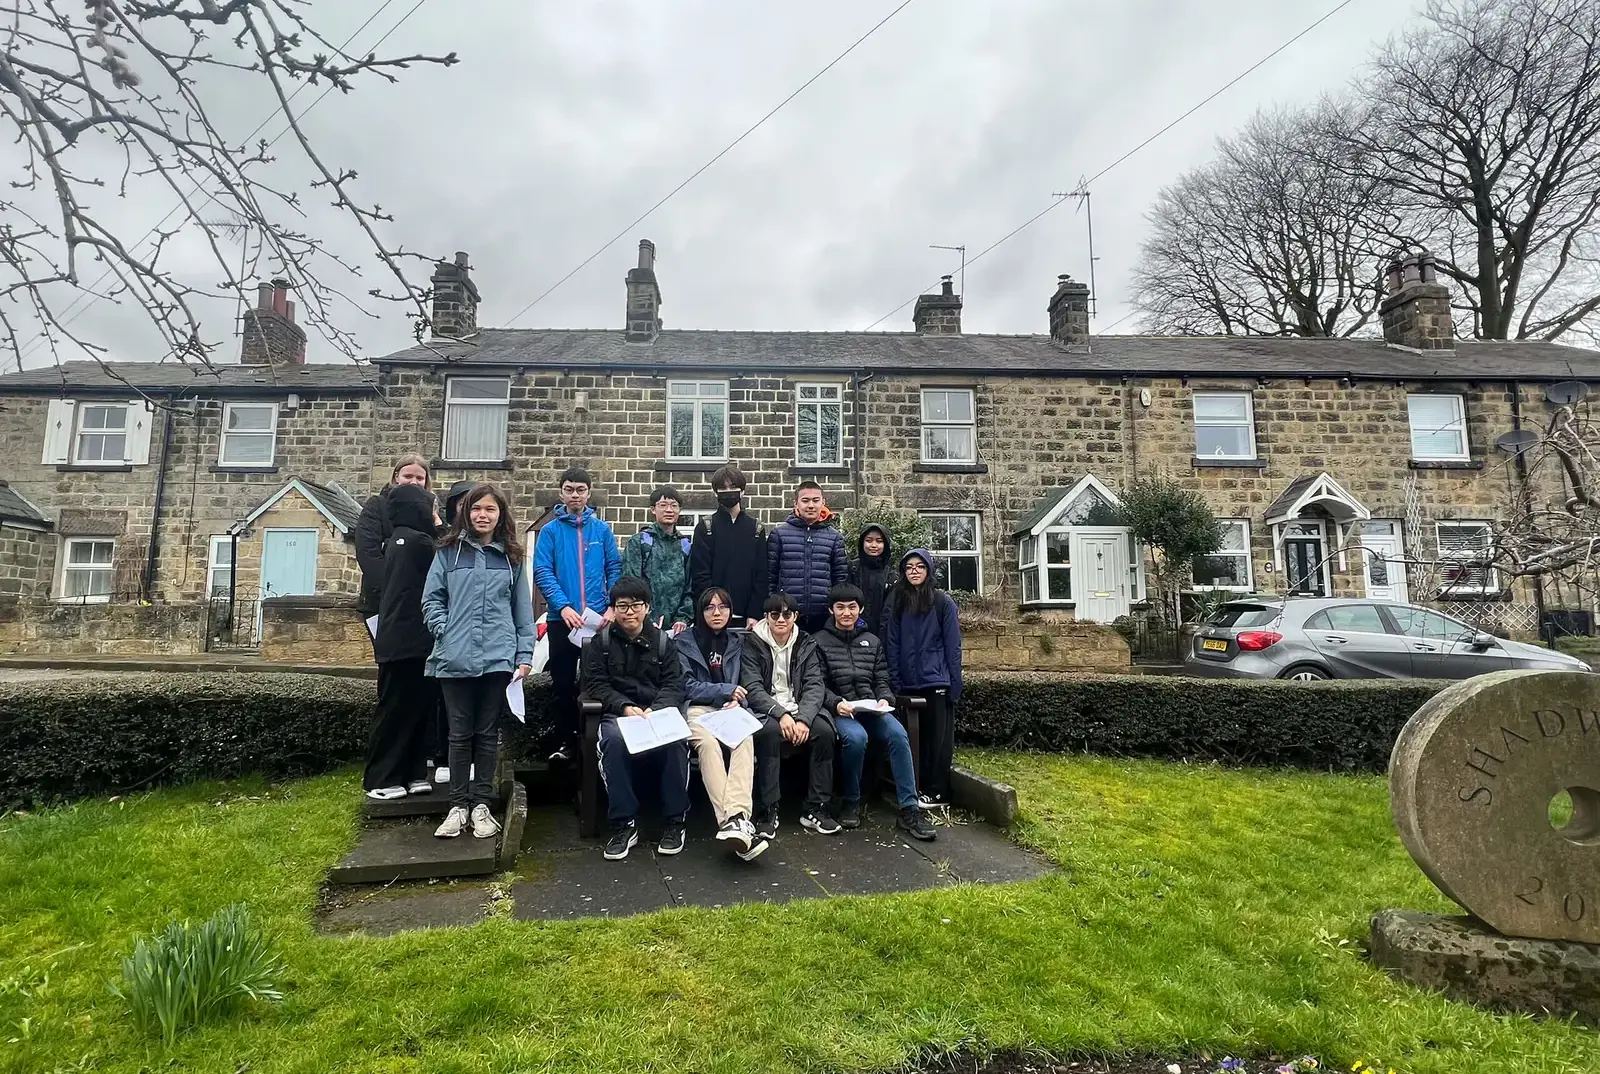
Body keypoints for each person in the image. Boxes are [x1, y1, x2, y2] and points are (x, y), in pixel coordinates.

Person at [422, 483, 535, 839]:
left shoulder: (511, 558)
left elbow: (522, 610)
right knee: (459, 735)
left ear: (501, 515)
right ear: (465, 514)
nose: (482, 515)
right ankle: (458, 806)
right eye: (475, 509)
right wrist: (445, 630)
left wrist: (525, 654)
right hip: (453, 656)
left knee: (487, 734)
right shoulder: (447, 553)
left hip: (497, 657)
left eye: (490, 509)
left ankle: (482, 804)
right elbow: (431, 600)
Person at [582, 576, 691, 861]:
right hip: (620, 715)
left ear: (647, 608)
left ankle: (675, 822)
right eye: (622, 606)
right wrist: (625, 706)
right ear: (614, 610)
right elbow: (596, 684)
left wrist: (656, 708)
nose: (629, 612)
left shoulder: (664, 643)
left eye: (636, 605)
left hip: (657, 713)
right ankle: (624, 824)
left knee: (676, 742)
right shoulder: (601, 643)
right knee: (613, 743)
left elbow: (674, 685)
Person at [816, 584, 935, 841]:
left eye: (852, 607)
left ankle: (909, 808)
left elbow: (882, 678)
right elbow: (818, 685)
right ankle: (851, 800)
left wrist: (885, 698)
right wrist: (836, 703)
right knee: (856, 739)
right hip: (841, 711)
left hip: (872, 709)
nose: (846, 613)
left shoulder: (872, 641)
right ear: (831, 610)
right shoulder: (819, 642)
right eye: (840, 607)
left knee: (898, 735)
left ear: (860, 609)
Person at [675, 587, 773, 861]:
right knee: (707, 744)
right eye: (709, 608)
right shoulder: (684, 641)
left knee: (745, 738)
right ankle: (735, 820)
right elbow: (685, 686)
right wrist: (724, 691)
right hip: (696, 709)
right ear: (700, 611)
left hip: (730, 708)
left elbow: (747, 680)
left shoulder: (738, 641)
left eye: (723, 607)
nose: (716, 613)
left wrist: (737, 700)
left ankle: (736, 820)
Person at [533, 467, 622, 763]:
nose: (575, 495)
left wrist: (611, 607)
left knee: (600, 683)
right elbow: (543, 572)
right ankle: (565, 742)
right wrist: (563, 606)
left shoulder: (602, 530)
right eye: (569, 489)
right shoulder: (550, 531)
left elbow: (615, 569)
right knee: (561, 683)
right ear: (561, 493)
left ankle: (600, 741)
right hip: (563, 621)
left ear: (588, 492)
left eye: (580, 489)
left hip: (598, 623)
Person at [363, 483, 441, 801]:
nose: (433, 514)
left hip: (406, 638)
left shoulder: (397, 541)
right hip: (408, 639)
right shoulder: (418, 541)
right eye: (429, 507)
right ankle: (382, 777)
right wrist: (439, 526)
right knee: (398, 709)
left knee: (416, 708)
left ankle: (412, 772)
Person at [740, 591, 836, 837]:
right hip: (768, 710)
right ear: (766, 617)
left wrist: (803, 719)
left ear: (796, 616)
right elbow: (752, 687)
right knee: (769, 733)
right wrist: (781, 714)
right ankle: (769, 808)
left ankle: (817, 807)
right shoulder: (752, 643)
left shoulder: (806, 642)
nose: (781, 619)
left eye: (787, 614)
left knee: (824, 732)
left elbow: (815, 685)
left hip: (800, 707)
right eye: (775, 614)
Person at [884, 549, 963, 811]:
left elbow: (953, 646)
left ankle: (938, 791)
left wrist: (954, 683)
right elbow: (893, 643)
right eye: (909, 567)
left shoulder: (942, 602)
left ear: (928, 570)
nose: (914, 571)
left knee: (937, 741)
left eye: (919, 566)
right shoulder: (899, 602)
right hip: (908, 684)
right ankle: (915, 787)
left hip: (936, 682)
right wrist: (895, 679)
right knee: (911, 740)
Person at [355, 453, 431, 624]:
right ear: (396, 477)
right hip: (381, 601)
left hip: (420, 603)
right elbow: (368, 553)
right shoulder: (377, 505)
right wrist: (395, 592)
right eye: (408, 476)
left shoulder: (432, 512)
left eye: (420, 478)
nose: (414, 482)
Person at [690, 465, 768, 627]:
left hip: (746, 619)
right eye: (722, 488)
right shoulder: (705, 527)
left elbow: (761, 576)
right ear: (716, 492)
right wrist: (711, 609)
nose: (728, 491)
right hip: (713, 617)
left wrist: (755, 613)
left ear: (743, 491)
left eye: (733, 487)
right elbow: (700, 575)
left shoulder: (756, 529)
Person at [767, 480, 848, 635]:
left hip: (823, 617)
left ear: (823, 502)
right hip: (787, 615)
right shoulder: (779, 534)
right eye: (805, 500)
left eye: (815, 500)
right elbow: (770, 576)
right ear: (795, 503)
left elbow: (840, 579)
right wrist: (775, 607)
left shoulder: (835, 537)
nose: (811, 505)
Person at [621, 485, 693, 635]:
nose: (669, 510)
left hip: (676, 628)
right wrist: (645, 617)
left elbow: (689, 587)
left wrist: (682, 618)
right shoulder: (639, 542)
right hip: (643, 624)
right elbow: (631, 583)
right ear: (653, 509)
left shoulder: (685, 546)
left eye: (674, 506)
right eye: (663, 505)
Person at [851, 523, 894, 636]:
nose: (874, 545)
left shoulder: (891, 575)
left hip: (881, 632)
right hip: (852, 630)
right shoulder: (851, 569)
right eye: (869, 540)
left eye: (879, 541)